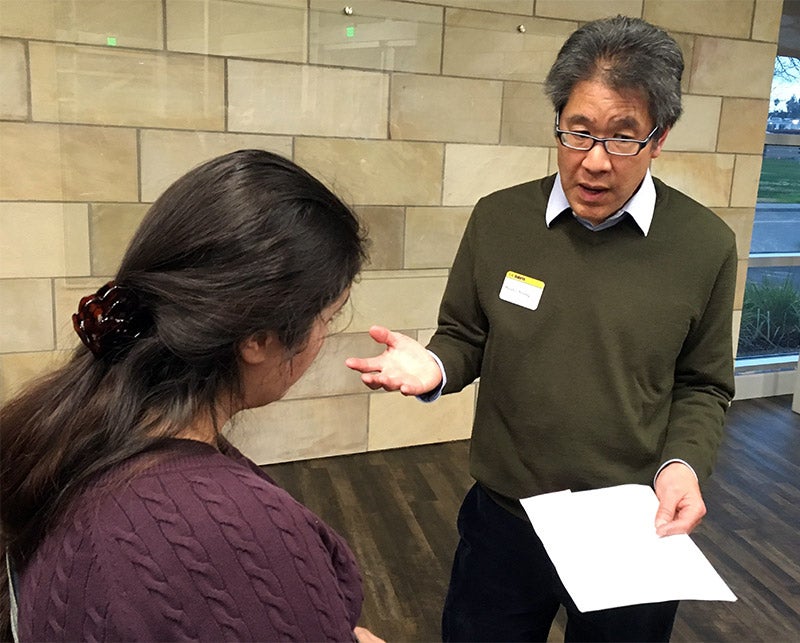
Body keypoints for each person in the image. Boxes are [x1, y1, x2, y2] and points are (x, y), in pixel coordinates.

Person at [346, 15, 737, 642]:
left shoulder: (704, 245)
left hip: (631, 526)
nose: (594, 162)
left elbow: (703, 384)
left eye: (622, 138)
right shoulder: (500, 219)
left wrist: (683, 465)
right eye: (578, 132)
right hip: (505, 517)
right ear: (558, 120)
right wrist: (436, 367)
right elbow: (465, 335)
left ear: (659, 138)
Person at [0, 150, 384, 642]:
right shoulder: (225, 536)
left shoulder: (75, 428)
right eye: (327, 317)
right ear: (258, 339)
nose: (323, 337)